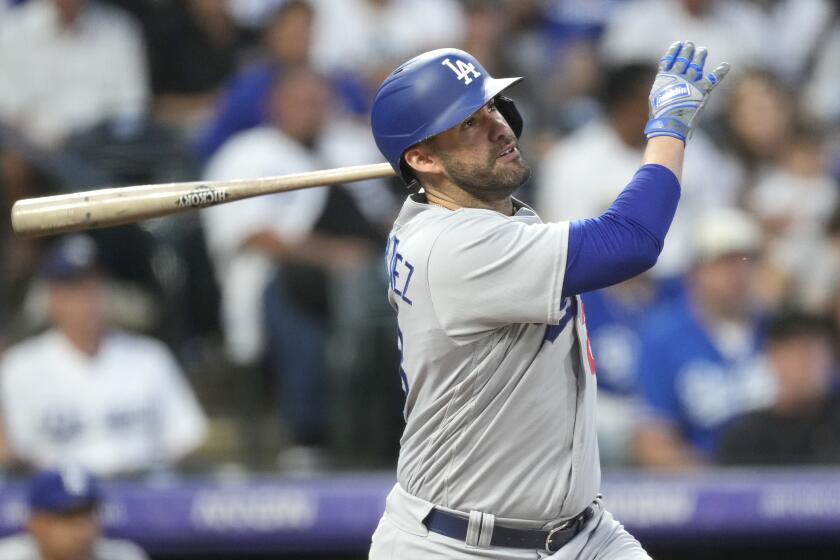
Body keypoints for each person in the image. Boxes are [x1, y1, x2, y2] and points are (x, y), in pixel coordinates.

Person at [367, 42, 728, 559]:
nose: (498, 126)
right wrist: (667, 130)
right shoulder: (451, 247)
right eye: (468, 123)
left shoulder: (489, 219)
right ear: (422, 157)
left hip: (583, 535)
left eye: (491, 106)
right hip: (457, 544)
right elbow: (630, 240)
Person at [0, 235, 208, 476]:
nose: (88, 300)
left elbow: (187, 442)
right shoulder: (20, 367)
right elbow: (11, 457)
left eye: (93, 286)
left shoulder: (150, 357)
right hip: (65, 501)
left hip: (142, 495)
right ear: (51, 298)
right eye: (74, 289)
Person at [632, 208, 774, 469]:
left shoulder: (781, 329)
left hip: (788, 475)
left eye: (746, 261)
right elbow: (653, 440)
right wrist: (720, 489)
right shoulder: (664, 338)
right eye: (724, 263)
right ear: (696, 271)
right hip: (705, 483)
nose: (737, 274)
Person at [717, 309, 840, 466]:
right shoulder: (746, 436)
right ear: (771, 356)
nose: (803, 365)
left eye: (812, 352)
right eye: (794, 353)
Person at [0, 467, 148, 560]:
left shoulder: (125, 556)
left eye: (88, 515)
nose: (82, 531)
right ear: (35, 525)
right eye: (67, 517)